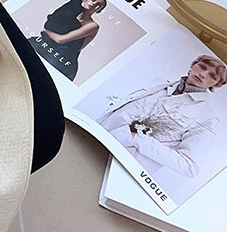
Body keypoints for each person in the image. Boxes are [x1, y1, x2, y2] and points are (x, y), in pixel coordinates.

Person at [96, 55, 227, 179]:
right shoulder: (161, 83)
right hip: (98, 134)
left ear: (216, 84)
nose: (203, 74)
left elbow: (189, 167)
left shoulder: (206, 118)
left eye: (212, 76)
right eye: (202, 67)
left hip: (117, 164)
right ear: (193, 65)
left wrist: (136, 138)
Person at [30, 0, 106, 81]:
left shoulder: (93, 26)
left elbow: (60, 40)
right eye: (93, 0)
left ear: (99, 11)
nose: (94, 4)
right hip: (46, 47)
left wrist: (46, 31)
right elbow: (50, 22)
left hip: (63, 59)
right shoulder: (71, 10)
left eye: (99, 5)